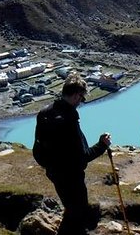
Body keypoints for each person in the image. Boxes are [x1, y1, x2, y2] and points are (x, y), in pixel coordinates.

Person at [34, 72, 111, 235]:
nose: (81, 102)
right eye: (82, 99)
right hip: (72, 177)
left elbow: (37, 149)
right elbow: (83, 156)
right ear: (76, 96)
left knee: (71, 208)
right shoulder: (68, 121)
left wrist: (50, 166)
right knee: (78, 212)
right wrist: (102, 145)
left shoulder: (44, 113)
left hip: (54, 174)